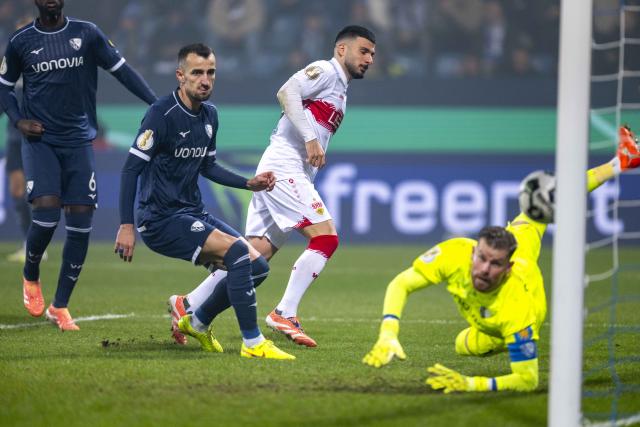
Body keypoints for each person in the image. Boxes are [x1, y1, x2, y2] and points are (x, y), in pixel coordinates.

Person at [362, 126, 640, 393]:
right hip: (521, 249)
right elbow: (402, 283)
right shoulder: (456, 252)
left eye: (494, 264)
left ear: (508, 268)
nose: (483, 269)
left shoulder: (518, 311)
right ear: (473, 251)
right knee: (542, 203)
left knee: (468, 345)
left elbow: (527, 380)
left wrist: (473, 384)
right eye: (481, 258)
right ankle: (621, 161)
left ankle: (505, 342)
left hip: (522, 303)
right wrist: (388, 331)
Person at [167, 25, 376, 348]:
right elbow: (286, 92)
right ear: (341, 50)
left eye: (373, 54)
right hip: (283, 167)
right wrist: (309, 139)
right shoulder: (325, 71)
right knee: (327, 238)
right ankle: (284, 312)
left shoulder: (340, 89)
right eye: (364, 51)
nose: (369, 59)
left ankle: (190, 306)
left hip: (286, 170)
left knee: (253, 255)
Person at [114, 43, 295, 361]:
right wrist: (127, 225)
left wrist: (247, 183)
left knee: (257, 267)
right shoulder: (161, 114)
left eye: (210, 72)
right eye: (197, 72)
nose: (205, 79)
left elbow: (207, 165)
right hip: (159, 218)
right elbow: (131, 169)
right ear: (180, 76)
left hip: (191, 211)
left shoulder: (210, 115)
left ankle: (196, 321)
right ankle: (253, 343)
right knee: (238, 252)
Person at [0, 0, 158, 330]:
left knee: (81, 221)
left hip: (78, 140)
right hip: (40, 140)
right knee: (45, 214)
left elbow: (123, 72)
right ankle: (31, 274)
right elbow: (3, 88)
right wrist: (17, 121)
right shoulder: (21, 41)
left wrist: (157, 105)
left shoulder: (87, 34)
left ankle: (60, 306)